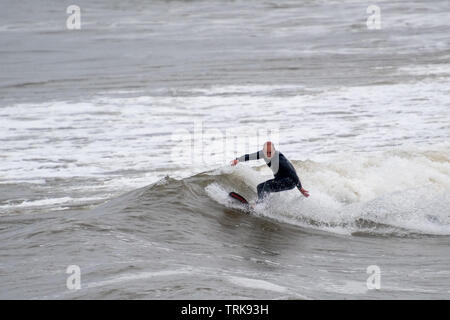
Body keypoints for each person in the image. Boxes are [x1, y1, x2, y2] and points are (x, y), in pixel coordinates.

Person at [231, 141, 309, 202]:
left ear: (274, 150)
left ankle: (260, 205)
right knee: (260, 187)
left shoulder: (279, 159)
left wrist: (300, 188)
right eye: (266, 152)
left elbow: (293, 173)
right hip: (280, 179)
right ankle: (262, 204)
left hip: (290, 181)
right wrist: (238, 159)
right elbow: (250, 156)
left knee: (266, 186)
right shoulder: (263, 153)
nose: (268, 154)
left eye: (270, 152)